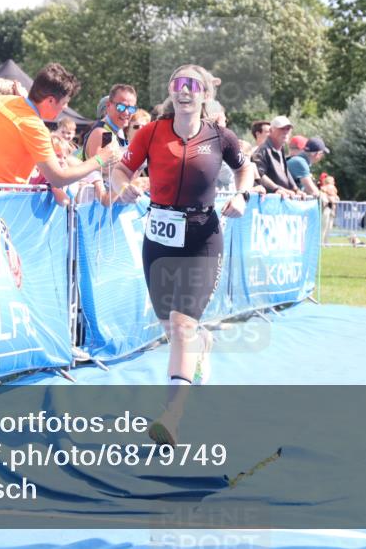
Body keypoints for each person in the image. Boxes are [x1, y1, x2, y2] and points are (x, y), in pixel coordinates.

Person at [111, 64, 252, 446]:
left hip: (202, 237)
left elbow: (246, 170)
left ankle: (172, 415)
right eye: (178, 83)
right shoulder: (151, 132)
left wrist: (242, 195)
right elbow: (120, 170)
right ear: (171, 91)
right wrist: (122, 186)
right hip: (158, 237)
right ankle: (202, 344)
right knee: (169, 325)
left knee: (181, 324)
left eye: (192, 85)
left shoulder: (220, 136)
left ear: (205, 94)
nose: (184, 90)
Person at [0, 63, 119, 186]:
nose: (65, 108)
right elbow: (58, 178)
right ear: (50, 100)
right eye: (64, 102)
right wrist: (100, 159)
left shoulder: (1, 101)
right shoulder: (35, 128)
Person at [252, 115, 299, 195]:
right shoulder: (262, 151)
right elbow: (259, 175)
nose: (285, 132)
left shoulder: (280, 149)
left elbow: (285, 172)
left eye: (288, 129)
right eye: (282, 129)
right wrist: (276, 189)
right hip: (268, 199)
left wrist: (296, 190)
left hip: (281, 198)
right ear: (271, 131)